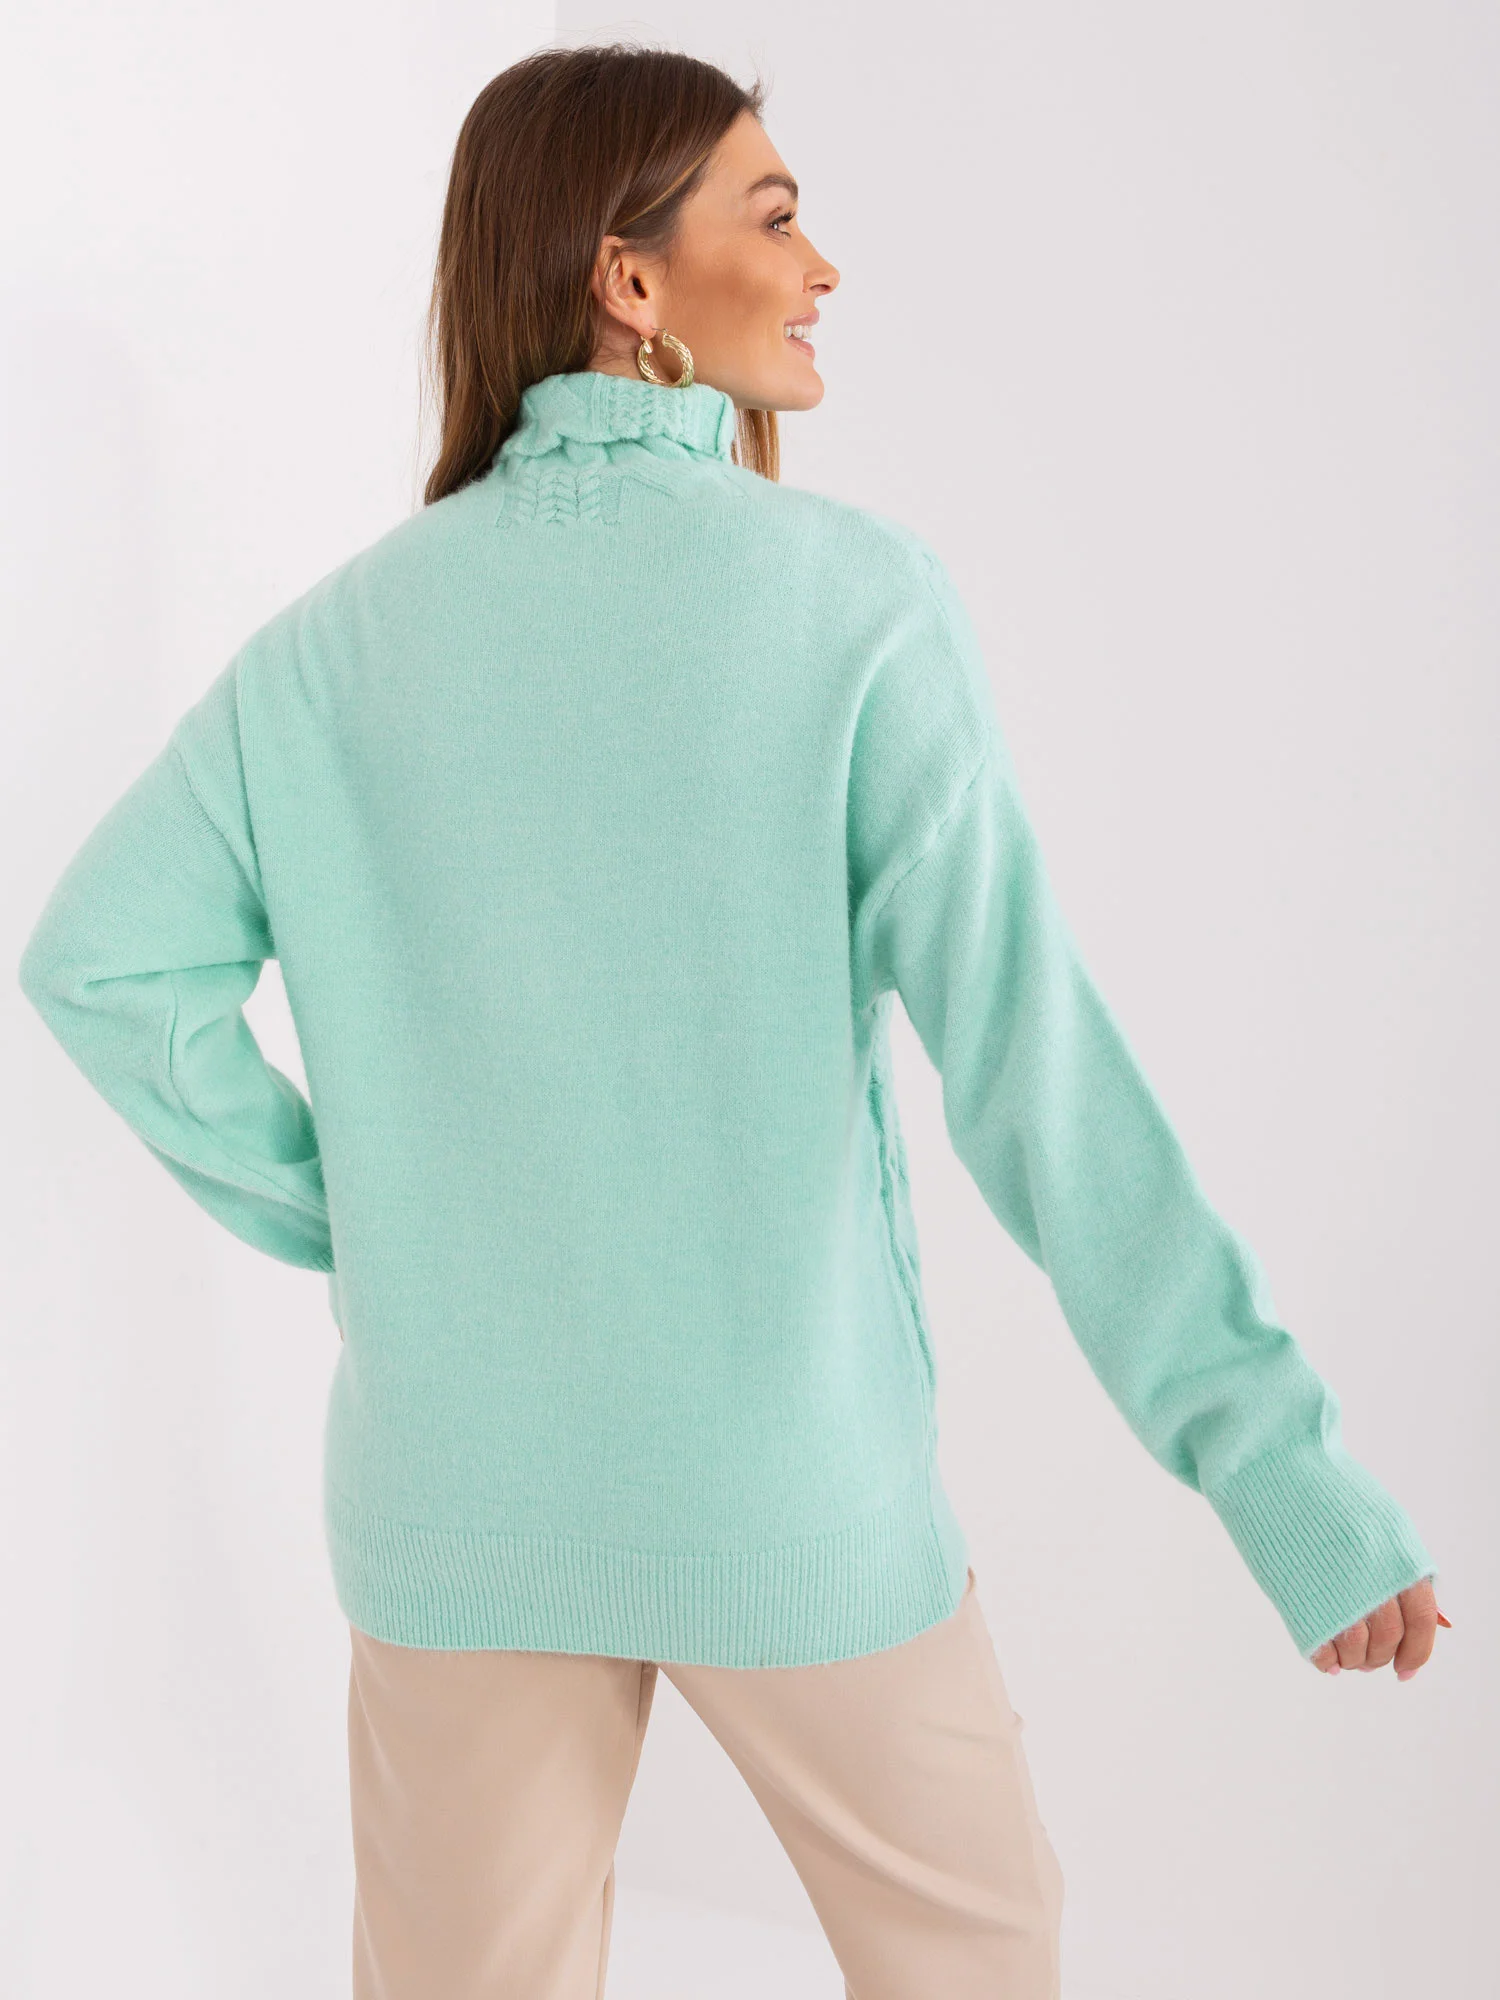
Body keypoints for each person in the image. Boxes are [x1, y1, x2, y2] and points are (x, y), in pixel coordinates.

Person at [15, 41, 1448, 2000]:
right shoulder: (854, 608)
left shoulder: (332, 651)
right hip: (794, 1495)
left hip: (456, 1498)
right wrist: (1283, 1476)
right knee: (979, 1956)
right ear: (630, 279)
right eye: (774, 216)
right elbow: (1043, 1088)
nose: (821, 265)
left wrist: (383, 1219)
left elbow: (101, 965)